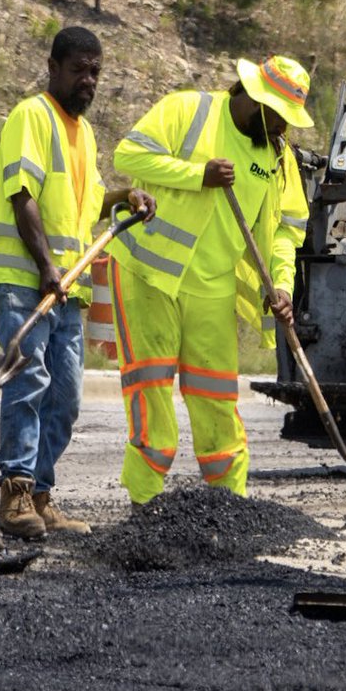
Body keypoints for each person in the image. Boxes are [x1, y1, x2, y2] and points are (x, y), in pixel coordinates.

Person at [107, 54, 311, 507]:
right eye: (279, 116)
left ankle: (229, 507)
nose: (284, 129)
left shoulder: (279, 158)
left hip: (212, 288)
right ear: (255, 100)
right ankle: (144, 508)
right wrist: (198, 175)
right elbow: (129, 154)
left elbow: (285, 230)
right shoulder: (188, 110)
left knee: (217, 401)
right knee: (151, 397)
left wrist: (279, 284)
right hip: (148, 276)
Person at [0, 26, 156, 540]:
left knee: (67, 397)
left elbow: (87, 203)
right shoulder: (30, 116)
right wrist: (45, 266)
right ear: (53, 67)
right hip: (23, 281)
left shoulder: (83, 133)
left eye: (95, 71)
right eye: (79, 69)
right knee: (28, 380)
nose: (88, 80)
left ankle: (39, 493)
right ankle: (14, 494)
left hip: (67, 290)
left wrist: (124, 197)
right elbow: (22, 196)